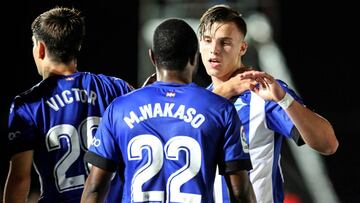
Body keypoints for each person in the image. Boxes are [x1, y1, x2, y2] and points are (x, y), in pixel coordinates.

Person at [81, 18, 256, 203]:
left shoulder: (119, 109)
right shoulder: (221, 109)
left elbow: (94, 189)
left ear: (153, 57)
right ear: (194, 57)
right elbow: (240, 192)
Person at [198, 4, 339, 203]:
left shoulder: (262, 92)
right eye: (207, 40)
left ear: (242, 47)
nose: (214, 50)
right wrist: (226, 90)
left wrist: (284, 99)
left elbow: (328, 144)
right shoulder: (198, 101)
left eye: (225, 42)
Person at [3, 7, 134, 203]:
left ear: (40, 48)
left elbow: (21, 179)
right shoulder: (116, 88)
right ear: (78, 46)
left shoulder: (28, 104)